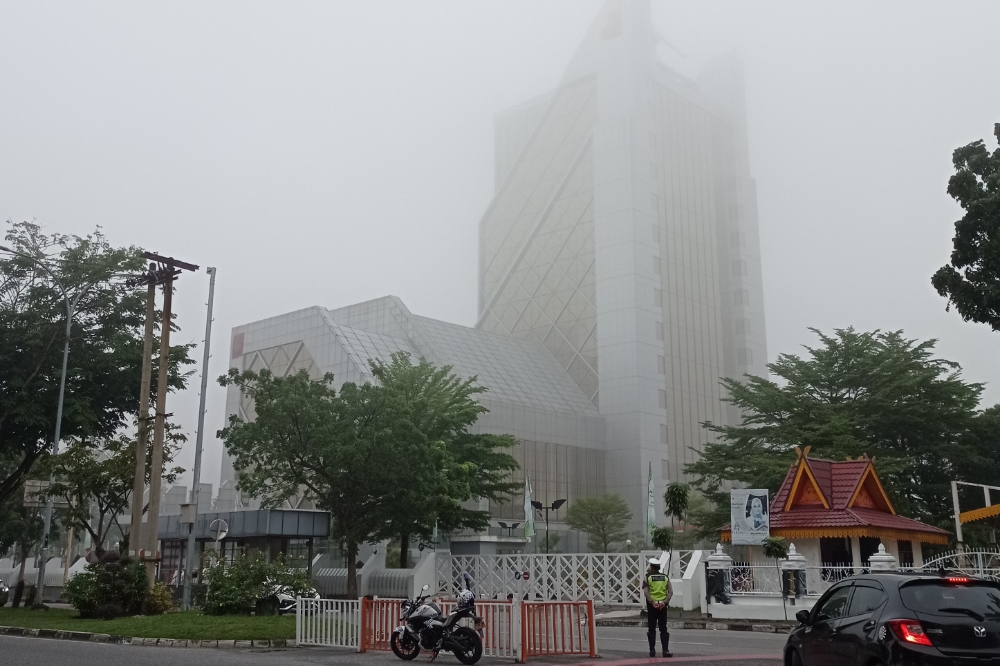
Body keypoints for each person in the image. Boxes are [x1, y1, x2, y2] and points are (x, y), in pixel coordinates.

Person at [642, 560, 672, 658]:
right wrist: (664, 602)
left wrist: (653, 602)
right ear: (659, 568)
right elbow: (670, 592)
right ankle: (665, 650)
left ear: (651, 567)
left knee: (651, 628)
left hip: (652, 606)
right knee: (663, 628)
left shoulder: (648, 577)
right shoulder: (665, 577)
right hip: (663, 606)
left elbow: (646, 592)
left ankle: (652, 650)